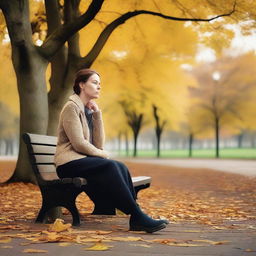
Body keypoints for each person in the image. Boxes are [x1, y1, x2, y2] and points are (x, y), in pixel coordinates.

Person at [54, 68, 167, 233]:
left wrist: (97, 115)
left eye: (100, 84)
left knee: (120, 166)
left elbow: (98, 144)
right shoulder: (71, 107)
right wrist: (103, 155)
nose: (99, 86)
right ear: (82, 85)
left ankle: (137, 215)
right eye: (94, 82)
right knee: (111, 166)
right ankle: (137, 216)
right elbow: (78, 144)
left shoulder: (87, 109)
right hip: (68, 163)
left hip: (80, 161)